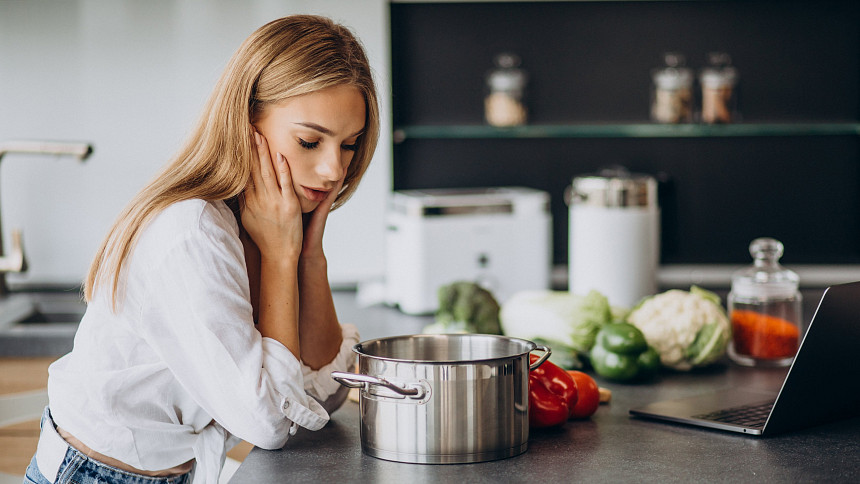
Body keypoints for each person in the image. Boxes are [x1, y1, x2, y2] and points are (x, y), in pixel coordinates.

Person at [24, 14, 379, 484]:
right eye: (309, 141)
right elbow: (270, 423)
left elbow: (321, 397)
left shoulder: (268, 223)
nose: (334, 169)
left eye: (350, 145)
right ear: (247, 120)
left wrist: (308, 256)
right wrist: (279, 258)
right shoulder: (194, 231)